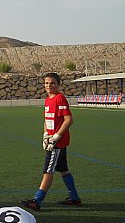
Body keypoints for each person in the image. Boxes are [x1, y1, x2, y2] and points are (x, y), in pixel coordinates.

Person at [21, 73, 81, 210]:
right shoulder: (48, 100)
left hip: (57, 144)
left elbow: (68, 120)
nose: (49, 85)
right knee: (64, 170)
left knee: (48, 170)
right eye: (47, 83)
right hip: (51, 141)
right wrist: (45, 135)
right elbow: (47, 121)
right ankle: (74, 198)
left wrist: (56, 137)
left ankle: (37, 200)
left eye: (52, 83)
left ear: (59, 84)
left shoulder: (60, 99)